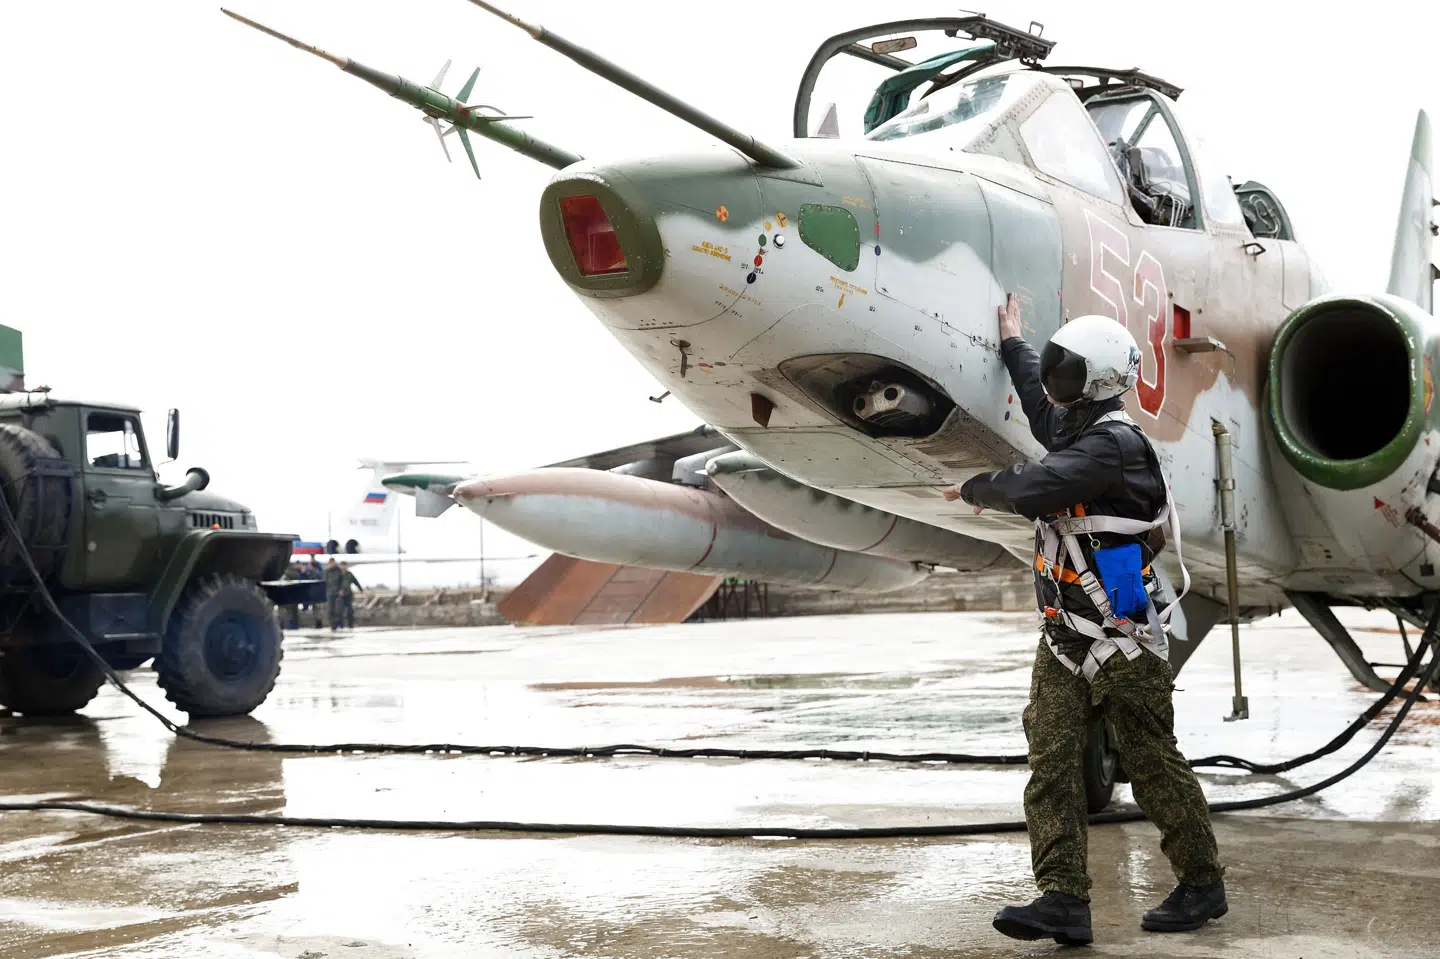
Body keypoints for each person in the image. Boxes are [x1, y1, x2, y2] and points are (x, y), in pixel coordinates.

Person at [941, 294, 1225, 946]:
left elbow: (1036, 485)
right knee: (1051, 757)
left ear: (1095, 384)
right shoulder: (1082, 430)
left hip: (1122, 622)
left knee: (1151, 757)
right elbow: (1043, 416)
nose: (1056, 382)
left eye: (1066, 371)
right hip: (1068, 629)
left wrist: (977, 486)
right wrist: (1014, 342)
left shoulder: (1114, 446)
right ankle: (1063, 897)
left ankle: (1203, 881)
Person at [337, 561, 363, 629]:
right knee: (340, 611)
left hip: (348, 594)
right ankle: (341, 625)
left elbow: (355, 581)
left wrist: (361, 589)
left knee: (350, 610)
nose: (344, 567)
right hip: (340, 595)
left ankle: (350, 625)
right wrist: (338, 591)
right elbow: (334, 584)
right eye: (342, 565)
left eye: (345, 565)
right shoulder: (338, 574)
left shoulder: (349, 574)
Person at [324, 558, 343, 631]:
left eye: (333, 563)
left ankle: (338, 624)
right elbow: (325, 582)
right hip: (329, 592)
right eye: (330, 563)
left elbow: (341, 581)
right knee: (331, 610)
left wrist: (341, 589)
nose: (332, 564)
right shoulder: (327, 571)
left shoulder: (338, 571)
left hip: (337, 592)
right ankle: (332, 625)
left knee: (338, 609)